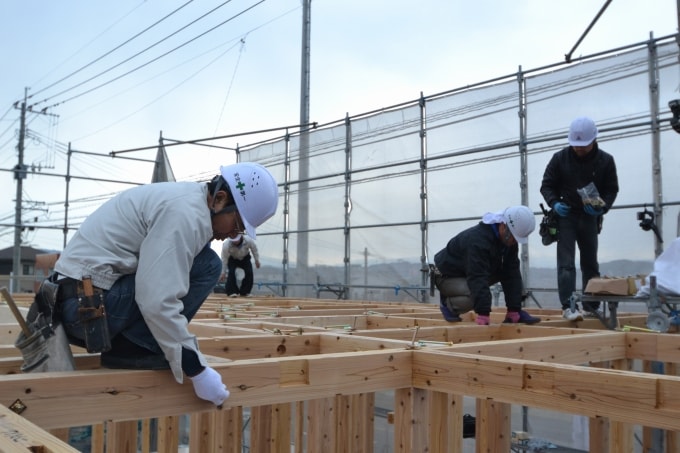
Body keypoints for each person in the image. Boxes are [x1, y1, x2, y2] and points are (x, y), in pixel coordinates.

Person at [51, 162, 278, 406]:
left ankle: (134, 344)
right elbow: (156, 298)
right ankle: (132, 348)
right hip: (86, 310)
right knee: (209, 265)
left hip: (82, 302)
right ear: (220, 199)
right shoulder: (184, 216)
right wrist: (196, 369)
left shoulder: (189, 203)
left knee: (205, 260)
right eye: (237, 225)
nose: (234, 234)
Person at [540, 116, 619, 321]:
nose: (579, 149)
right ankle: (568, 306)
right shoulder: (560, 158)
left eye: (583, 145)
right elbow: (546, 185)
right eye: (576, 145)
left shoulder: (605, 161)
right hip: (566, 216)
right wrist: (555, 203)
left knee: (590, 263)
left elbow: (611, 189)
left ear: (593, 140)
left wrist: (602, 208)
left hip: (590, 217)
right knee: (566, 263)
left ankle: (590, 306)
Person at [432, 205, 541, 325]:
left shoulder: (508, 240)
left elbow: (512, 273)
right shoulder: (477, 241)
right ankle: (449, 304)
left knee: (510, 271)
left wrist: (514, 310)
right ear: (503, 226)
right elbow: (477, 277)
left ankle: (515, 312)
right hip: (446, 276)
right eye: (513, 238)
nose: (514, 242)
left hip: (467, 272)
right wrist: (483, 314)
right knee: (473, 295)